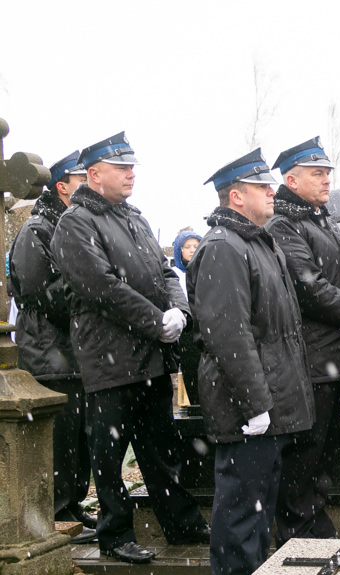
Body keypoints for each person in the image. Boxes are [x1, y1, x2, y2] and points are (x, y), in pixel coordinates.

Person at [51, 133, 209, 563]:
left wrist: (179, 312)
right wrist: (154, 321)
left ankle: (180, 524)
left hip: (150, 358)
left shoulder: (135, 218)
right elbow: (100, 286)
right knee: (109, 456)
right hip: (109, 358)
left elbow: (165, 271)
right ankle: (115, 533)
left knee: (162, 449)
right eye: (122, 168)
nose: (131, 174)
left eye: (132, 167)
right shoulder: (76, 222)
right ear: (95, 174)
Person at [188, 149, 315, 575]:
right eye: (263, 186)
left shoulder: (258, 243)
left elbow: (278, 330)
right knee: (241, 517)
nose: (272, 191)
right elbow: (229, 336)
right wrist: (255, 404)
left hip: (268, 406)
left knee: (257, 516)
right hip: (248, 410)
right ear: (236, 197)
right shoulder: (225, 247)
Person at [265, 137, 340, 544]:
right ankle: (296, 527)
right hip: (312, 355)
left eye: (327, 172)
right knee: (304, 448)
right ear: (291, 179)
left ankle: (313, 517)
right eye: (317, 173)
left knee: (324, 446)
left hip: (334, 353)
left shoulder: (319, 219)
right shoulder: (284, 224)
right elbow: (309, 286)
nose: (327, 180)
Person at [8, 151, 96, 543]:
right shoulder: (38, 228)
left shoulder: (71, 224)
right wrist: (92, 299)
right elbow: (38, 290)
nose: (89, 187)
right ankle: (56, 510)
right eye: (81, 181)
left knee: (78, 437)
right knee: (59, 440)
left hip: (73, 352)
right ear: (62, 186)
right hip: (50, 352)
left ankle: (72, 504)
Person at [171, 230, 202, 407]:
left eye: (195, 246)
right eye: (187, 247)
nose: (192, 250)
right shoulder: (175, 274)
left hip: (204, 329)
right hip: (186, 331)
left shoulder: (208, 270)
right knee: (190, 372)